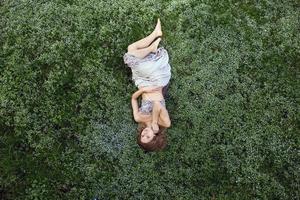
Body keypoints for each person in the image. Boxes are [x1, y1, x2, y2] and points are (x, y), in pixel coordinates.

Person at [123, 18, 171, 152]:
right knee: (130, 57)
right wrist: (155, 122)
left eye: (142, 136)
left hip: (143, 83)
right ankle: (152, 46)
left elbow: (133, 98)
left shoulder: (139, 118)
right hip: (158, 80)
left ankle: (155, 35)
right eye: (147, 137)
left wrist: (144, 89)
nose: (144, 133)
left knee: (131, 49)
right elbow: (157, 105)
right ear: (154, 137)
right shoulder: (165, 123)